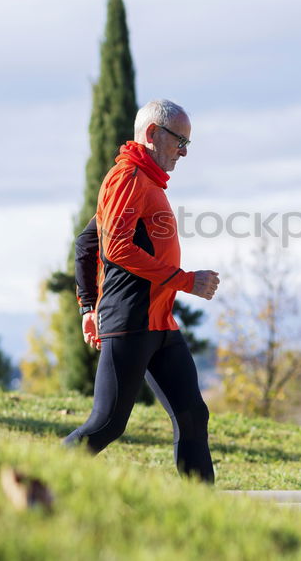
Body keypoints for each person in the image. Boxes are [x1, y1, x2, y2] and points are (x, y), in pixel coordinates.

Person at [62, 99, 220, 482]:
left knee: (192, 415)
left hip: (160, 324)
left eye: (187, 144)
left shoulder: (143, 180)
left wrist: (86, 307)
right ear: (152, 134)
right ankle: (35, 482)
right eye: (179, 141)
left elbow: (87, 244)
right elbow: (113, 249)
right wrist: (186, 281)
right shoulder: (127, 178)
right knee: (107, 424)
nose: (183, 152)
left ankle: (203, 514)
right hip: (131, 323)